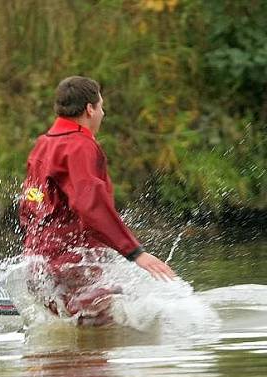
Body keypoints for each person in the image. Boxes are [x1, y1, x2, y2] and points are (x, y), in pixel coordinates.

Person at [19, 76, 175, 324]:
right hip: (72, 261)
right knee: (102, 330)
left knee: (63, 336)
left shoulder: (43, 143)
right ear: (89, 109)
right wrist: (135, 252)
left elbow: (30, 201)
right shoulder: (80, 146)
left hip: (39, 259)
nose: (103, 113)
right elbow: (90, 205)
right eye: (101, 106)